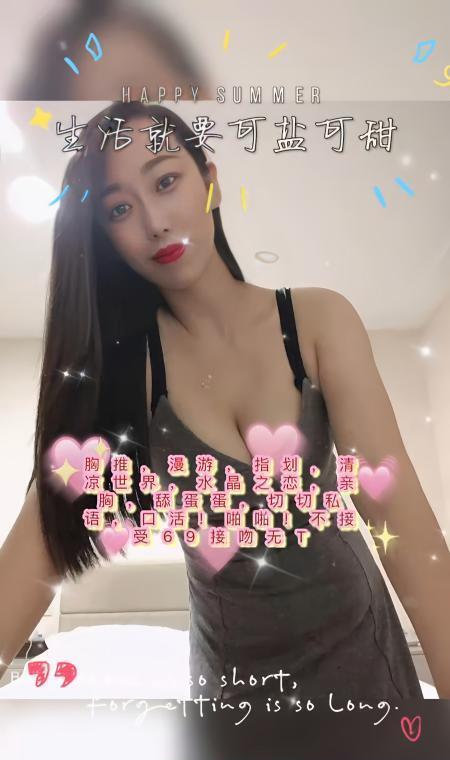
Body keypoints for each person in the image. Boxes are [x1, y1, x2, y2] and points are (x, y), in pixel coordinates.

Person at [1, 101, 449, 702]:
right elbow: (38, 549)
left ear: (209, 181)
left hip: (368, 675)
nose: (155, 222)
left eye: (166, 181)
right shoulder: (125, 375)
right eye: (119, 209)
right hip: (231, 700)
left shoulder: (317, 322)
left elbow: (410, 538)